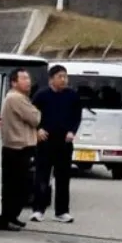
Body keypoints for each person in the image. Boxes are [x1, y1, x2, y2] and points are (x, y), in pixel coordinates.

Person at [29, 64, 81, 224]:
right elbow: (31, 115)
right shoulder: (41, 95)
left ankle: (62, 211)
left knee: (63, 178)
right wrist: (37, 130)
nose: (64, 79)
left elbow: (76, 116)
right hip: (45, 142)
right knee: (42, 176)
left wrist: (72, 131)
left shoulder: (72, 95)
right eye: (60, 76)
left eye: (65, 76)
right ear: (51, 79)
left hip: (64, 142)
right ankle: (38, 209)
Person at [0, 69, 41, 231]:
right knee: (18, 187)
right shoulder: (16, 98)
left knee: (17, 186)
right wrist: (37, 112)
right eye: (23, 78)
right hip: (18, 148)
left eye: (28, 78)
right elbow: (35, 118)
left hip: (16, 147)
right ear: (14, 82)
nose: (28, 81)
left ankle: (11, 216)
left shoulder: (18, 98)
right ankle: (5, 218)